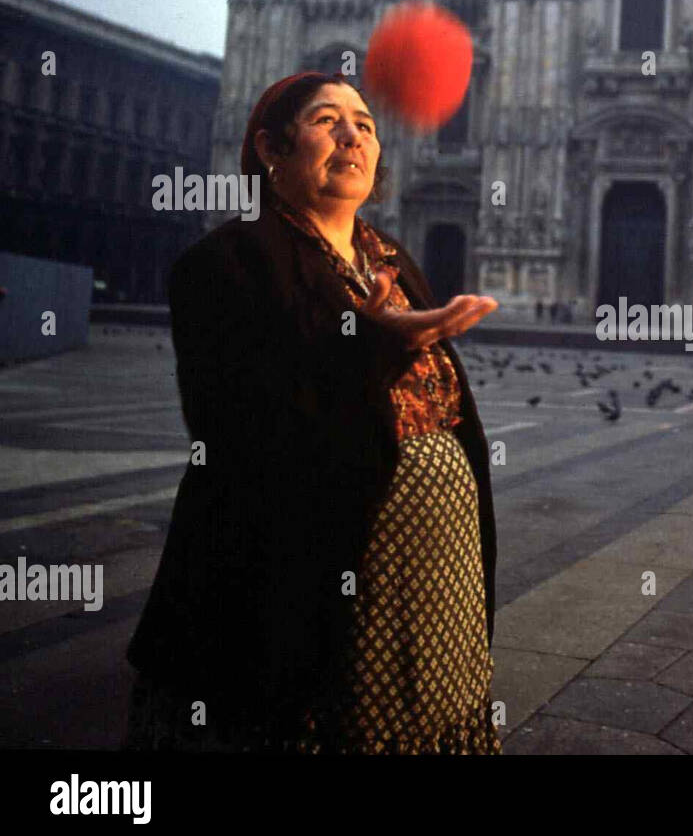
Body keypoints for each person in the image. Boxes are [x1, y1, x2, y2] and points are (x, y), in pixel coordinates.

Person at [123, 71, 501, 753]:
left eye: (366, 123)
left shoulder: (392, 258)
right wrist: (373, 350)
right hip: (300, 585)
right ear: (272, 149)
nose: (353, 135)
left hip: (427, 594)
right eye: (328, 121)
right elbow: (237, 430)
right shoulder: (224, 265)